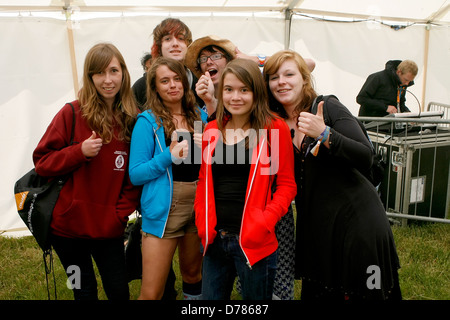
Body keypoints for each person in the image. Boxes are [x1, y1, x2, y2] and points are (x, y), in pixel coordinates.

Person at [263, 50, 402, 300]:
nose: (281, 81)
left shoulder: (327, 106)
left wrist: (325, 133)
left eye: (289, 74)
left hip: (357, 221)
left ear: (305, 79)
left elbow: (365, 156)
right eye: (273, 77)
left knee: (365, 291)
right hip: (317, 225)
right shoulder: (275, 122)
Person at [185, 35, 306, 300]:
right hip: (215, 241)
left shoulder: (274, 128)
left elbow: (286, 185)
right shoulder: (211, 129)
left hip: (254, 241)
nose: (235, 97)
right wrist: (202, 221)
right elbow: (205, 181)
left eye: (243, 90)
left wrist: (265, 221)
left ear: (256, 92)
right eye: (228, 89)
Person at [33, 43, 141, 300]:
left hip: (109, 230)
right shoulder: (71, 112)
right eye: (99, 73)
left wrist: (119, 214)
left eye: (114, 71)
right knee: (82, 290)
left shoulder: (133, 119)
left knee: (118, 291)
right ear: (90, 77)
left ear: (123, 73)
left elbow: (134, 177)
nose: (108, 80)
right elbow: (42, 163)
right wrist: (78, 152)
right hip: (65, 232)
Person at [129, 57, 207, 300]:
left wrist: (209, 150)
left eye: (176, 79)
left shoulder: (200, 116)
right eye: (165, 81)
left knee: (194, 276)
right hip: (165, 208)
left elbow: (211, 162)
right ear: (155, 87)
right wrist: (167, 157)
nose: (172, 85)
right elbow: (136, 174)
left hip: (198, 205)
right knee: (152, 291)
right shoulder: (148, 121)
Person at [185, 35, 316, 119]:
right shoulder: (200, 102)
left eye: (216, 56)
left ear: (229, 60)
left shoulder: (253, 80)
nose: (208, 62)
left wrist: (254, 59)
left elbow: (309, 64)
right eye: (203, 59)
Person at [132, 18, 202, 110]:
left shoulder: (199, 83)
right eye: (168, 39)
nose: (175, 44)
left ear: (188, 45)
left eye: (181, 38)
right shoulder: (141, 86)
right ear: (159, 46)